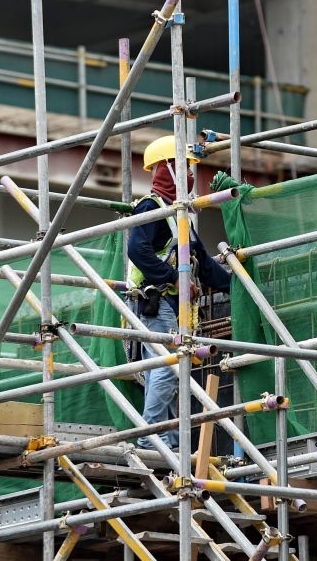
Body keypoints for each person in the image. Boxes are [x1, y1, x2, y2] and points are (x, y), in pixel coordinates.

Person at [128, 135, 233, 450]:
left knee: (175, 369)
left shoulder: (179, 217)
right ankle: (150, 435)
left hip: (170, 305)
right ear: (165, 170)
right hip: (153, 300)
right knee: (168, 365)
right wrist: (174, 277)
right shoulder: (151, 207)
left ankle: (169, 440)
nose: (190, 176)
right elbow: (137, 250)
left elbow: (203, 265)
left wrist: (238, 284)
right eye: (183, 167)